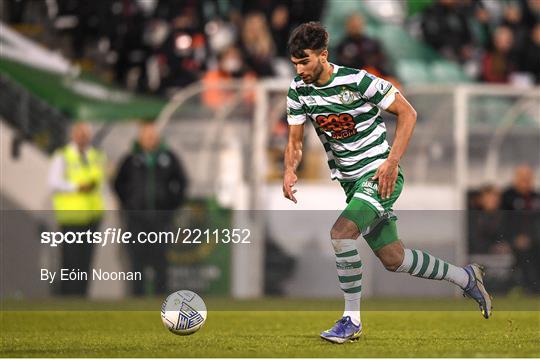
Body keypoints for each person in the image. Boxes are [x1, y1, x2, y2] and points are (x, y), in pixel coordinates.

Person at [283, 22, 492, 343]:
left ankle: (351, 321)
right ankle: (465, 278)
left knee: (341, 234)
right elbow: (295, 140)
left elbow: (408, 113)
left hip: (381, 175)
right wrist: (289, 169)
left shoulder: (357, 80)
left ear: (324, 56)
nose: (299, 69)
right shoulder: (299, 90)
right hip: (352, 184)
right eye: (295, 63)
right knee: (394, 258)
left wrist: (392, 162)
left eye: (305, 61)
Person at [114, 122, 188, 296]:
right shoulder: (130, 159)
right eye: (146, 136)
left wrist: (172, 204)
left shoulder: (169, 158)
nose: (150, 139)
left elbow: (182, 183)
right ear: (140, 139)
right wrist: (129, 204)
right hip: (136, 219)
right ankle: (136, 298)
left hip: (161, 219)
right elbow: (118, 184)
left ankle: (161, 298)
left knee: (160, 260)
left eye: (152, 135)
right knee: (136, 260)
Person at [48, 122, 106, 296]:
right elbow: (53, 183)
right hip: (71, 217)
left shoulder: (96, 156)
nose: (82, 136)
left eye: (85, 133)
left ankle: (81, 297)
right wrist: (77, 187)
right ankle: (67, 296)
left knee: (85, 261)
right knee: (70, 261)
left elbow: (99, 181)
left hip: (92, 216)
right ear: (72, 135)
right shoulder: (63, 156)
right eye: (79, 133)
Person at [501, 165, 540, 293]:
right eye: (523, 178)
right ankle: (531, 288)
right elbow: (503, 222)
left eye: (528, 178)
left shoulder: (536, 197)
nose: (526, 181)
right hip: (512, 240)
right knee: (525, 253)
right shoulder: (507, 197)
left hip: (534, 240)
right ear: (516, 179)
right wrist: (513, 238)